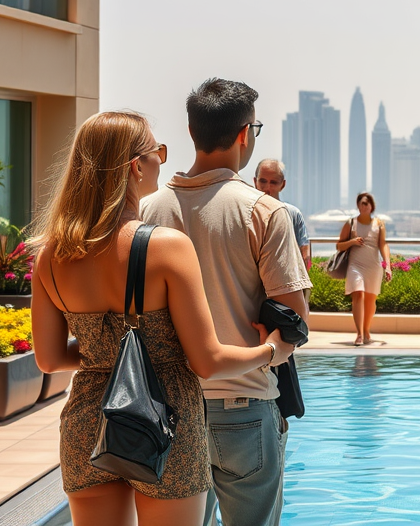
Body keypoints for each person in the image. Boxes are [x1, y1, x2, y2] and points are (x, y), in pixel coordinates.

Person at [30, 111, 295, 526]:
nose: (162, 161)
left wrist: (107, 357)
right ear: (136, 166)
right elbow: (207, 360)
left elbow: (47, 359)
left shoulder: (51, 254)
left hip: (87, 418)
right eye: (158, 152)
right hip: (165, 417)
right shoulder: (166, 247)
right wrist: (271, 350)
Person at [140, 79, 311, 526]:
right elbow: (294, 324)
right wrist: (273, 348)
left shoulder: (146, 211)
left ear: (193, 132)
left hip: (166, 409)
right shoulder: (263, 212)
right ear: (243, 135)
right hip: (243, 405)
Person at [335, 192, 391, 346]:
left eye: (367, 203)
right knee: (358, 295)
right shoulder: (351, 223)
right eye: (361, 203)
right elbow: (339, 245)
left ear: (372, 206)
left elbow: (383, 245)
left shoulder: (379, 224)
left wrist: (388, 266)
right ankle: (359, 334)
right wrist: (352, 241)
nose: (364, 206)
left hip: (373, 266)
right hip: (355, 265)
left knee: (371, 301)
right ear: (358, 205)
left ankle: (366, 331)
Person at [253, 158, 310, 267]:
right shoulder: (247, 212)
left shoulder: (293, 214)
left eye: (273, 182)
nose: (267, 188)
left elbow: (304, 253)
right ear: (255, 182)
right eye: (263, 181)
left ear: (282, 185)